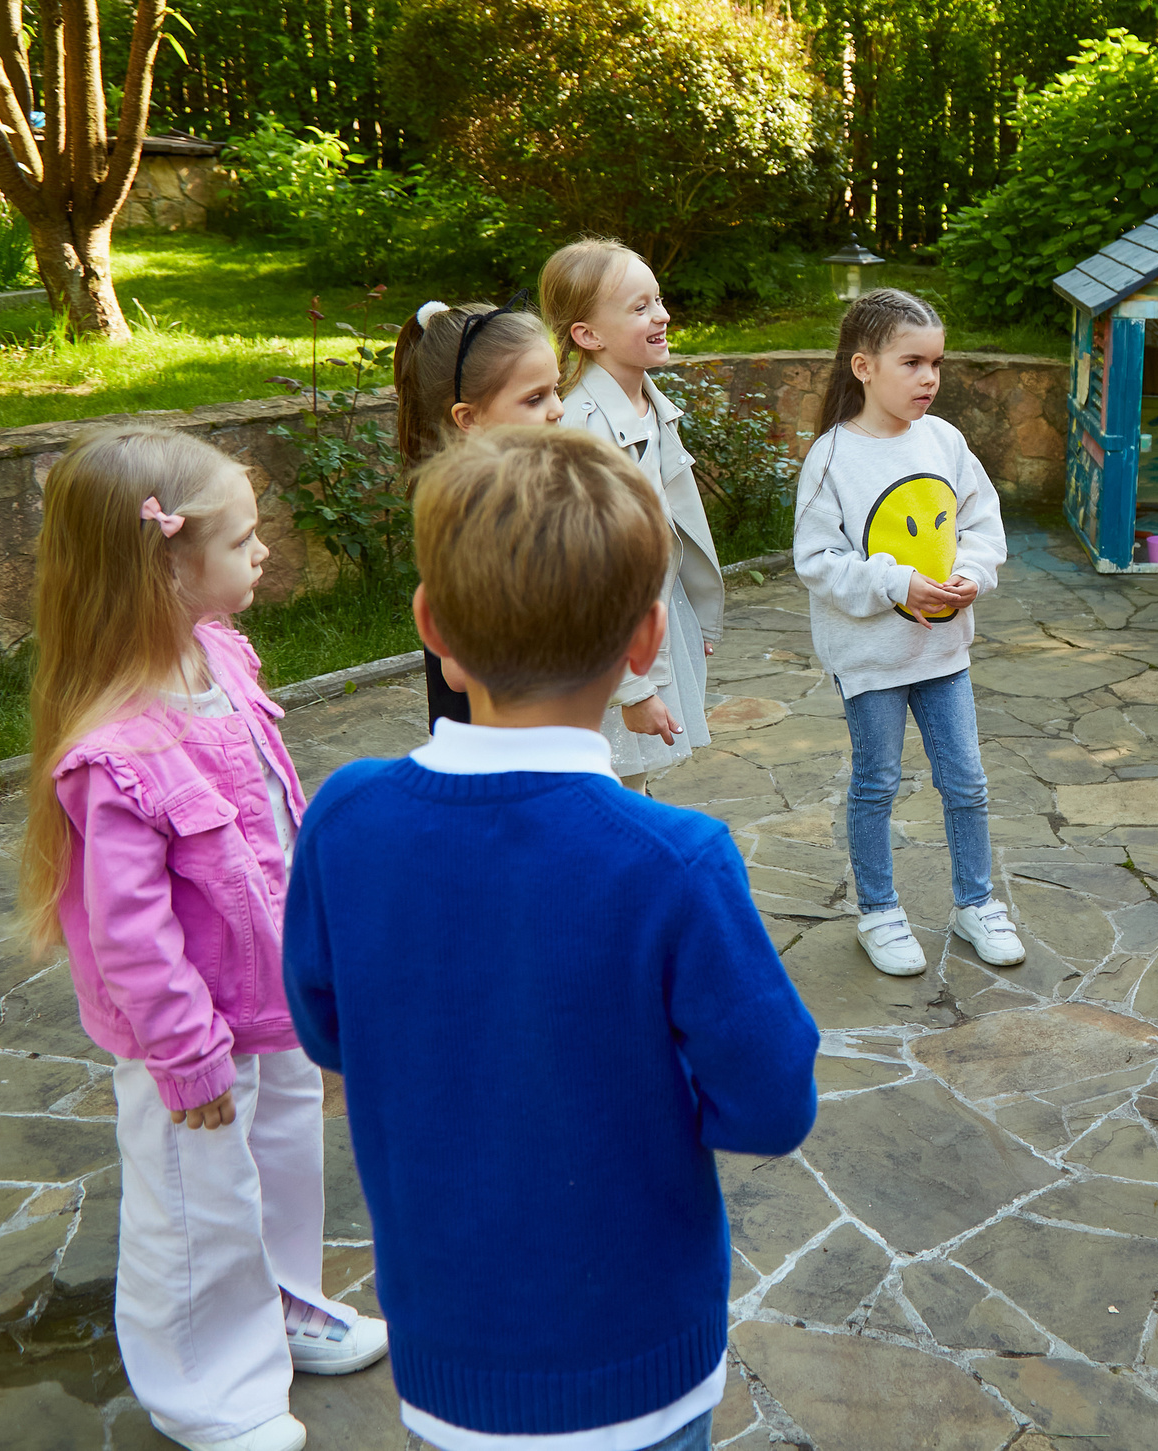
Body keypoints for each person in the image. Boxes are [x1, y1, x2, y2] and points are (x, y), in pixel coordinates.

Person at [283, 426, 819, 1451]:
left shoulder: (347, 816)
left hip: (448, 1360)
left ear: (429, 623)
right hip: (638, 1366)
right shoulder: (674, 860)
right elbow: (769, 1103)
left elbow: (325, 1027)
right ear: (645, 641)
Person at [15, 428, 387, 1451]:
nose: (263, 551)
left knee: (283, 1166)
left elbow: (273, 816)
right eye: (242, 538)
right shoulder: (116, 752)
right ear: (168, 565)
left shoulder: (219, 654)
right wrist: (186, 1056)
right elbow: (130, 934)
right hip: (190, 1036)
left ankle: (281, 1304)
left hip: (269, 998)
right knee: (196, 1209)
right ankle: (207, 1389)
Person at [792, 287, 1022, 977]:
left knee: (968, 782)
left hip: (944, 651)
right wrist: (895, 582)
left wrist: (974, 573)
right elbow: (817, 561)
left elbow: (982, 522)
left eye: (937, 364)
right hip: (872, 660)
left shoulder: (945, 441)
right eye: (913, 362)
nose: (929, 378)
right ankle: (879, 912)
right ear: (863, 366)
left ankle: (974, 903)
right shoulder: (831, 458)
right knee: (877, 783)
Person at [540, 236, 725, 791]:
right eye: (640, 308)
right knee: (607, 792)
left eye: (659, 300)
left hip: (653, 626)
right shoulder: (578, 431)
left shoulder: (651, 407)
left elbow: (672, 528)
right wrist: (635, 687)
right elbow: (589, 576)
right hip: (607, 653)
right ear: (587, 335)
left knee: (635, 783)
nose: (662, 316)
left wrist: (696, 610)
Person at [391, 296, 566, 730]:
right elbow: (459, 670)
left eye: (556, 389)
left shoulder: (522, 491)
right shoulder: (466, 518)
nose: (557, 409)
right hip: (493, 745)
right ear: (468, 418)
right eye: (534, 398)